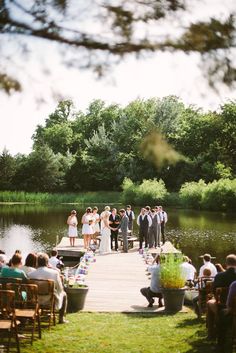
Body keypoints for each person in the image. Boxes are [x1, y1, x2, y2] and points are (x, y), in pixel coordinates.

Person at [28, 253, 68, 324]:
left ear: (37, 262)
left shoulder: (30, 274)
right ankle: (61, 318)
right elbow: (60, 288)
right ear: (47, 262)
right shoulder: (54, 273)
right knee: (64, 294)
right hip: (49, 298)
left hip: (35, 299)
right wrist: (59, 292)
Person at [206, 254, 236, 339]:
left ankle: (211, 334)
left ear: (226, 264)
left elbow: (213, 291)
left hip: (222, 305)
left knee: (209, 303)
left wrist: (217, 300)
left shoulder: (220, 276)